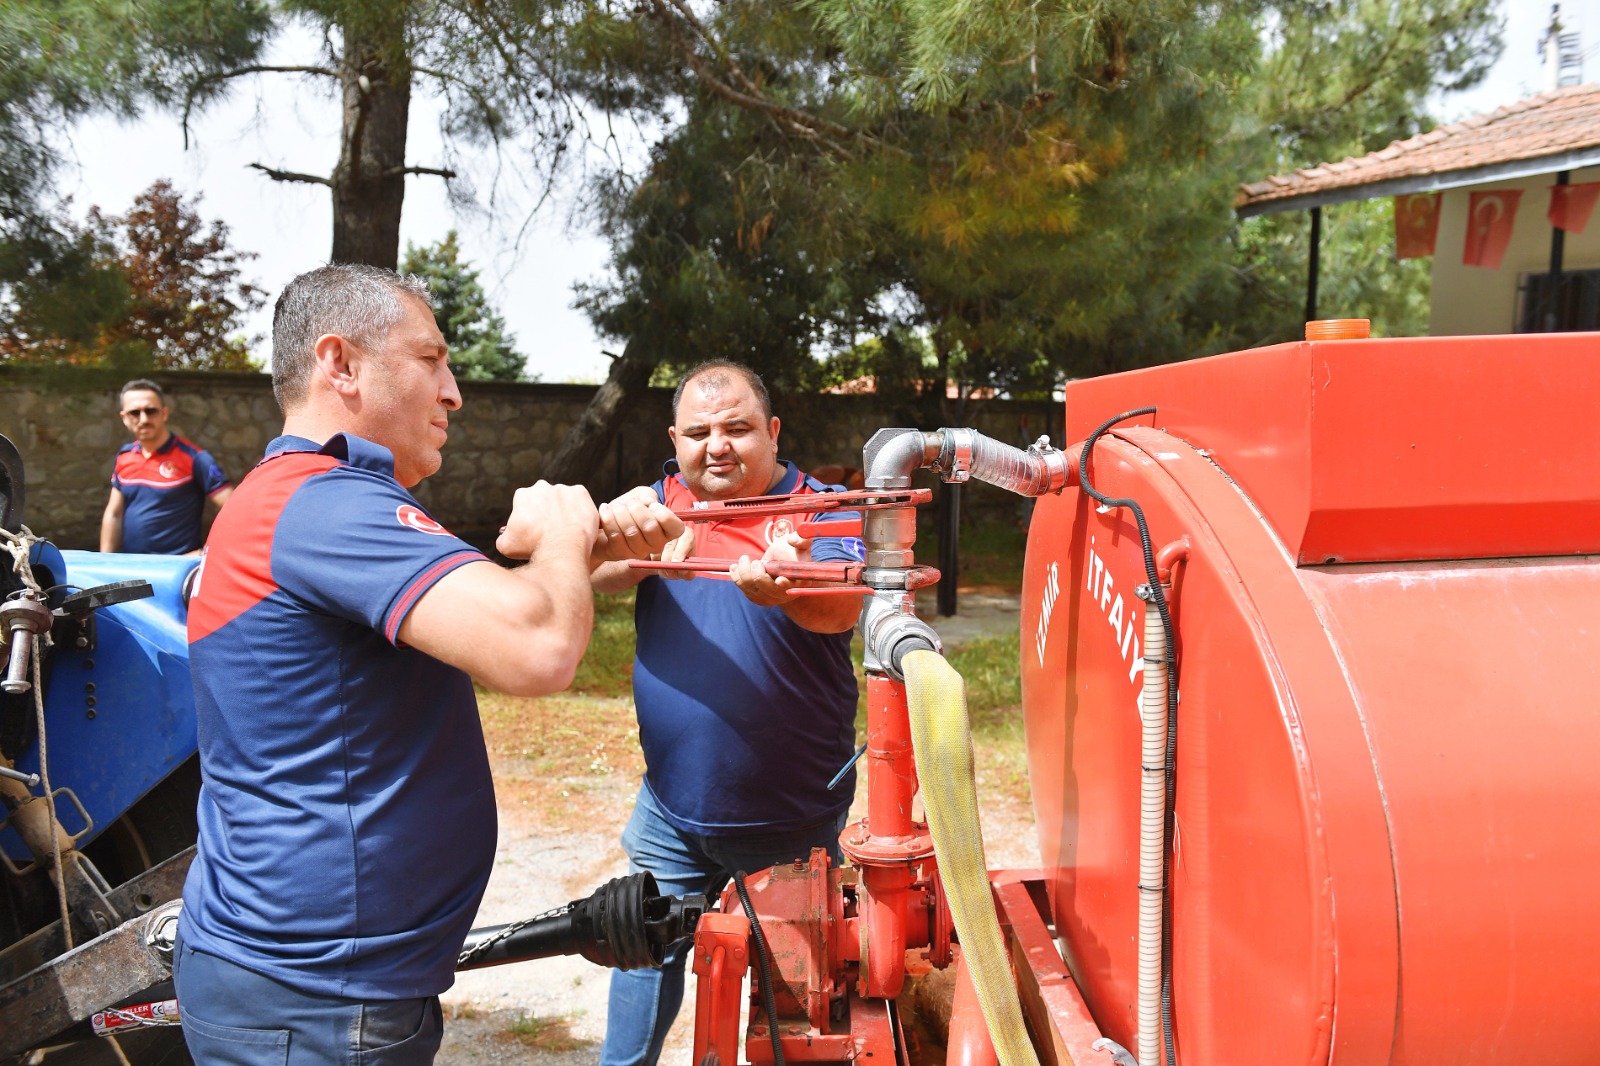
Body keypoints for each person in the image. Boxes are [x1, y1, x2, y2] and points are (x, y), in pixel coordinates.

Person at [172, 263, 683, 1066]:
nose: (454, 392)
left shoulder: (303, 502)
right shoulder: (324, 502)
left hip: (313, 990)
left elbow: (487, 612)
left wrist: (576, 556)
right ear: (339, 364)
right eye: (429, 359)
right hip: (316, 1006)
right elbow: (538, 649)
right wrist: (557, 527)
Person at [591, 361, 866, 1066]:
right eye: (700, 431)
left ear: (773, 433)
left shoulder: (822, 507)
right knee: (640, 961)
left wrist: (790, 590)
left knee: (790, 1011)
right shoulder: (660, 504)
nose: (718, 445)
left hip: (788, 820)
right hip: (669, 808)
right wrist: (621, 546)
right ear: (674, 440)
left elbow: (842, 609)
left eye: (737, 428)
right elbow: (572, 569)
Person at [100, 379, 233, 554]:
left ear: (164, 414)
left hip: (176, 571)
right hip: (131, 568)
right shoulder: (124, 456)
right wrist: (104, 561)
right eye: (135, 413)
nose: (144, 419)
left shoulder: (195, 458)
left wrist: (207, 552)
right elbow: (114, 514)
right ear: (124, 418)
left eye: (151, 411)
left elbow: (233, 507)